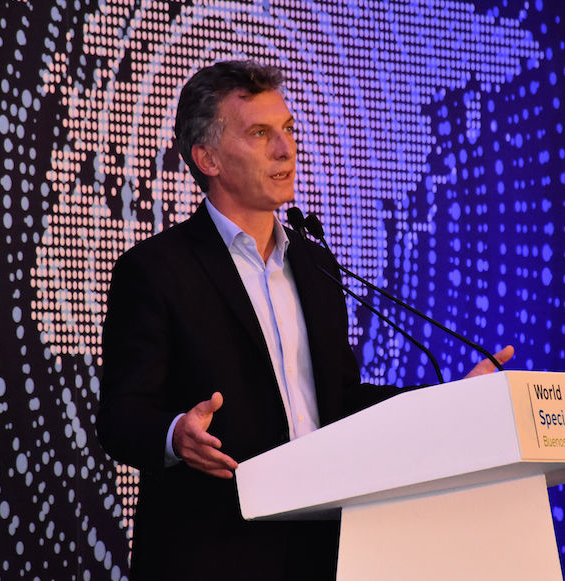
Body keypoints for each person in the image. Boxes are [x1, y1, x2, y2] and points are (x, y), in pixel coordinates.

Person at [96, 60, 513, 580]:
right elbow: (120, 415)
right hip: (215, 552)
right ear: (207, 158)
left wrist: (446, 400)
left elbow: (339, 403)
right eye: (260, 133)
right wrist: (176, 434)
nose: (286, 149)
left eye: (289, 129)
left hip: (325, 550)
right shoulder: (156, 269)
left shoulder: (316, 266)